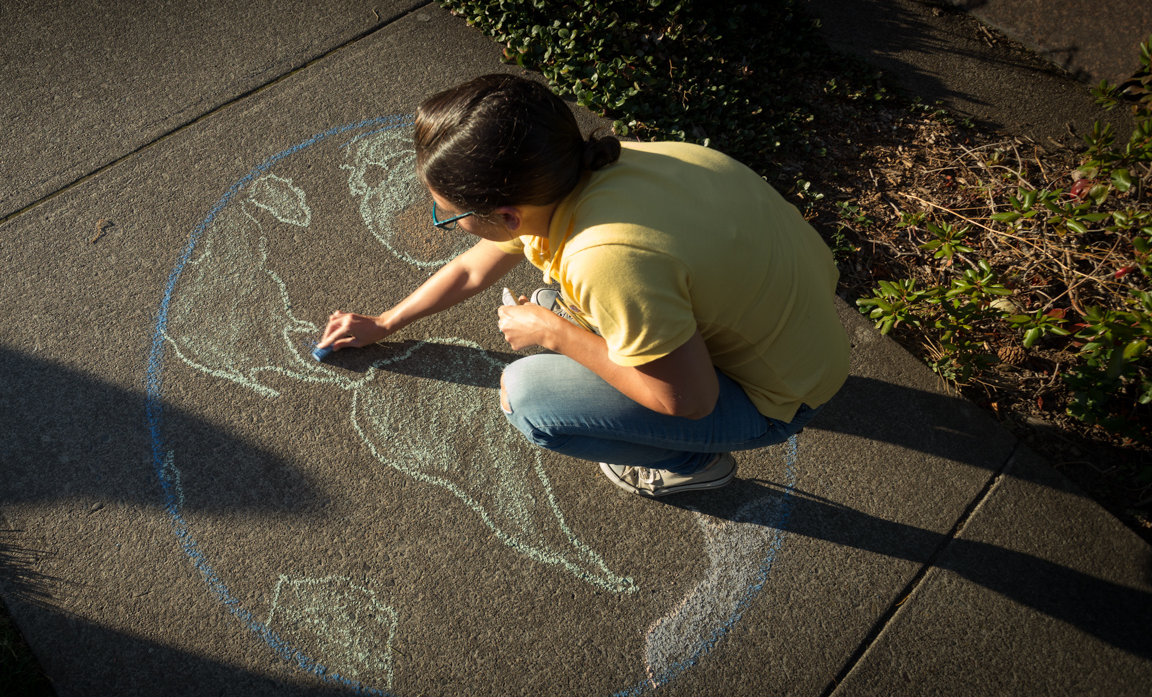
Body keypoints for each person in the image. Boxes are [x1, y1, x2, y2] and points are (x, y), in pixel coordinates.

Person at [316, 74, 849, 498]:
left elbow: (687, 399)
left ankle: (692, 466)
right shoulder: (594, 166)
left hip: (781, 398)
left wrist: (554, 334)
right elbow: (475, 269)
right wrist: (386, 322)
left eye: (449, 214)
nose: (447, 220)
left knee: (526, 397)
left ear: (506, 213)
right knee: (557, 301)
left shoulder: (604, 260)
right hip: (800, 334)